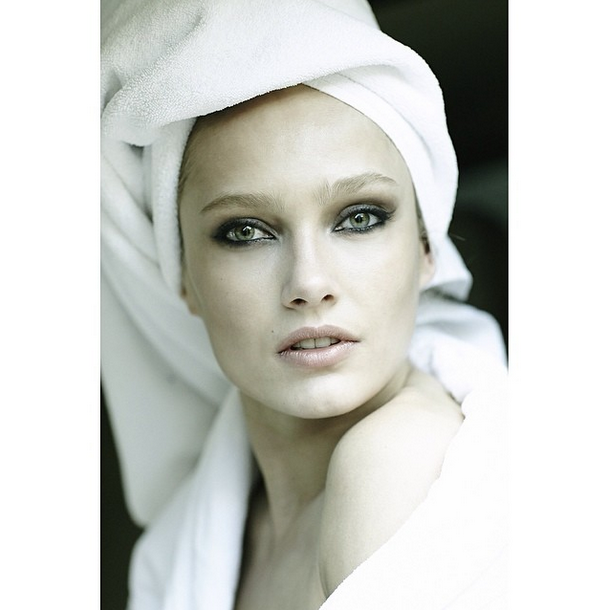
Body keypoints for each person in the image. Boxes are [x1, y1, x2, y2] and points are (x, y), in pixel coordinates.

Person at [101, 0, 508, 608]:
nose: (310, 282)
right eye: (245, 232)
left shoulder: (397, 460)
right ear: (183, 276)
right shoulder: (194, 538)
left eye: (359, 218)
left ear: (426, 249)